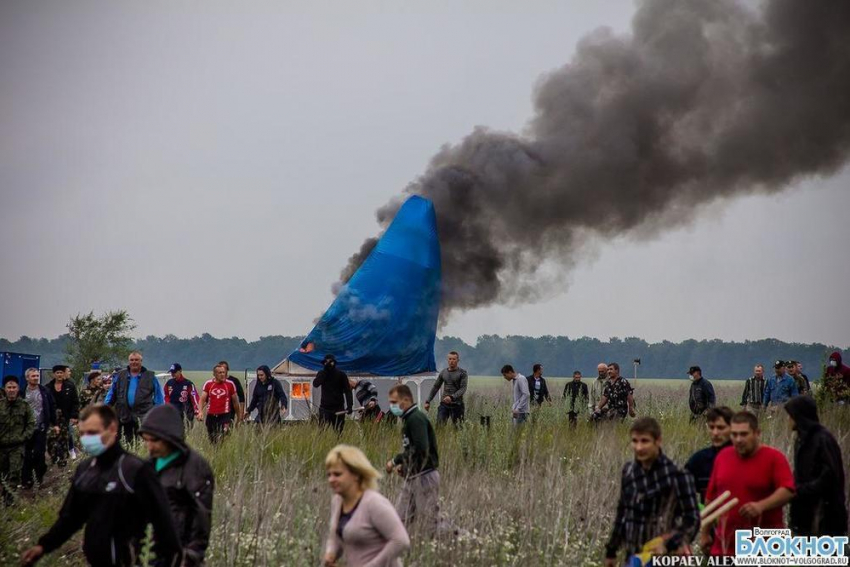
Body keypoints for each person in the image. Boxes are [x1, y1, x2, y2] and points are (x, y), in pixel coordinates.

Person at [21, 404, 182, 567]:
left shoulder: (135, 470)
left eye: (93, 433)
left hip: (132, 560)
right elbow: (71, 518)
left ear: (112, 429)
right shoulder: (85, 470)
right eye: (83, 433)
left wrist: (172, 560)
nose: (87, 439)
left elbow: (163, 522)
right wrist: (43, 546)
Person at [604, 417, 700, 566]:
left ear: (658, 441)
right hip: (634, 555)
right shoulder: (629, 471)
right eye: (635, 441)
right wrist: (612, 550)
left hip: (663, 557)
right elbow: (623, 512)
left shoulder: (677, 475)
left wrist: (670, 544)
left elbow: (692, 519)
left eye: (645, 441)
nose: (639, 447)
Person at [702, 411, 795, 557]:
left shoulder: (774, 458)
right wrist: (705, 533)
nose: (738, 439)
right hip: (725, 548)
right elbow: (710, 499)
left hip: (764, 548)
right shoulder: (723, 457)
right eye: (734, 434)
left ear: (757, 433)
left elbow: (788, 490)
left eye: (744, 434)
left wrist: (761, 506)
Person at [140, 404, 215, 566]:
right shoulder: (147, 466)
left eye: (154, 440)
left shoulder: (195, 468)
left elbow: (201, 519)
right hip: (148, 553)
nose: (149, 446)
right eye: (146, 440)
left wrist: (190, 556)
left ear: (169, 437)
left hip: (178, 555)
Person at [324, 445, 410, 567]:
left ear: (356, 475)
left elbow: (401, 541)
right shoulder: (337, 501)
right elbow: (337, 535)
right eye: (329, 475)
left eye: (337, 474)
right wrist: (330, 553)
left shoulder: (373, 503)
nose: (331, 479)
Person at [784, 396, 848, 536]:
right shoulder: (802, 439)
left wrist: (801, 490)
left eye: (791, 416)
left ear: (799, 417)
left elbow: (830, 476)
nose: (788, 420)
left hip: (825, 515)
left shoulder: (822, 439)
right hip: (805, 513)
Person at [385, 383, 440, 536]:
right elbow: (412, 450)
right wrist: (406, 466)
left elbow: (421, 448)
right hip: (412, 476)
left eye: (395, 402)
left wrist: (396, 460)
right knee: (399, 519)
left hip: (425, 476)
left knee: (431, 524)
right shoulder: (408, 420)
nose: (392, 406)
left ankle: (461, 539)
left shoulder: (416, 418)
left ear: (406, 399)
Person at [105, 351, 165, 442]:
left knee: (142, 442)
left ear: (141, 361)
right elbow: (111, 393)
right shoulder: (120, 375)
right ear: (129, 362)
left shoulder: (150, 376)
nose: (134, 362)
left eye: (137, 360)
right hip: (124, 415)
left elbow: (159, 397)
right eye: (132, 360)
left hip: (143, 416)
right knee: (124, 442)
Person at [684, 406, 733, 503]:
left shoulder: (744, 458)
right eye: (711, 427)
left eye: (720, 428)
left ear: (732, 428)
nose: (715, 433)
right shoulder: (699, 460)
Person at [1, 375, 35, 504]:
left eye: (14, 387)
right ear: (4, 389)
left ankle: (9, 501)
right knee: (3, 474)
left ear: (18, 388)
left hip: (17, 446)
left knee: (14, 473)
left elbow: (31, 423)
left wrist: (23, 437)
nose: (11, 390)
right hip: (1, 446)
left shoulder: (24, 406)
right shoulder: (0, 405)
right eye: (9, 387)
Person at [22, 367, 57, 488]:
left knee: (39, 453)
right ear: (27, 378)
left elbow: (52, 407)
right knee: (26, 454)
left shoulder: (45, 391)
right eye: (33, 376)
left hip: (41, 427)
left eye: (37, 376)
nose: (36, 378)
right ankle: (27, 480)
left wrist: (55, 423)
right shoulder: (22, 392)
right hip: (26, 429)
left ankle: (39, 477)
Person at [45, 364, 79, 467]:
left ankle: (63, 462)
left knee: (64, 439)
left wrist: (74, 415)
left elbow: (75, 402)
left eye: (61, 372)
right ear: (53, 374)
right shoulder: (47, 387)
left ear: (64, 374)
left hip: (65, 416)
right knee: (52, 439)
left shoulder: (70, 386)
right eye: (57, 373)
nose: (59, 375)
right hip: (52, 418)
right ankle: (54, 459)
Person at [200, 364, 242, 443]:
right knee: (212, 439)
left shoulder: (230, 384)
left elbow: (235, 402)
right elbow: (202, 399)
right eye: (220, 373)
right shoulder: (208, 384)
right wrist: (200, 411)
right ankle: (215, 453)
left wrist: (239, 417)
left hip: (225, 415)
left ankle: (223, 450)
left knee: (223, 436)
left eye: (223, 372)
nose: (222, 374)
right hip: (211, 415)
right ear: (214, 374)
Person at [424, 351, 468, 426]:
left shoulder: (462, 373)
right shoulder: (443, 372)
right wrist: (428, 401)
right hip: (444, 404)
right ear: (447, 360)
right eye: (450, 359)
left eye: (454, 359)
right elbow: (435, 387)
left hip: (457, 404)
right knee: (439, 426)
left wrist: (451, 397)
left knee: (458, 429)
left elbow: (463, 389)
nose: (452, 361)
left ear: (458, 360)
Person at [313, 354, 353, 434]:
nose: (328, 364)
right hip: (325, 408)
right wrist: (325, 372)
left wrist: (349, 406)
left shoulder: (341, 375)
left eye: (330, 362)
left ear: (334, 363)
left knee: (338, 432)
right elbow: (316, 384)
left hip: (338, 408)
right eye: (326, 362)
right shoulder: (321, 373)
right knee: (321, 431)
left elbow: (348, 391)